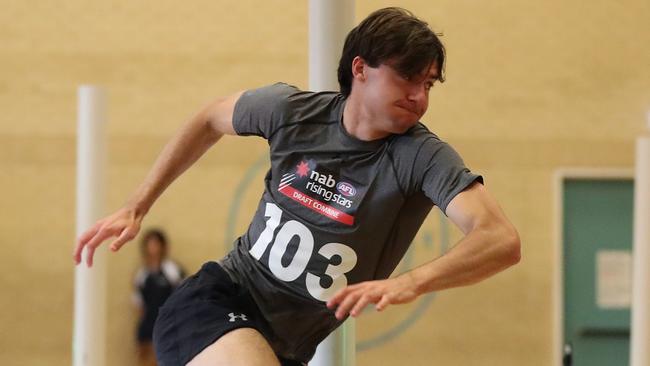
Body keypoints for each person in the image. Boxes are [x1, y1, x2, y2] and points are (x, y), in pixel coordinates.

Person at [73, 7, 521, 366]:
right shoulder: (291, 112)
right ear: (360, 68)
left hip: (285, 349)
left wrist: (411, 282)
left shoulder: (419, 156)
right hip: (215, 302)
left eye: (428, 84)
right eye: (407, 78)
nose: (419, 97)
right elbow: (209, 117)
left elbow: (499, 238)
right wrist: (137, 205)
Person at [132, 229, 185, 366]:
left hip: (168, 325)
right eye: (150, 244)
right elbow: (139, 304)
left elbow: (183, 296)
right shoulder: (142, 274)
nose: (153, 248)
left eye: (156, 243)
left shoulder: (172, 270)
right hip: (148, 325)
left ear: (163, 246)